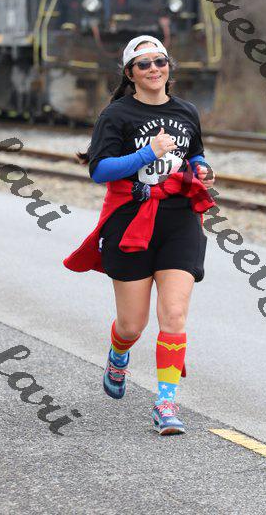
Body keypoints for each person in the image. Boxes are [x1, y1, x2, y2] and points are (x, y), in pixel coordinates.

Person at [65, 35, 216, 435]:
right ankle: (118, 354)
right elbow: (100, 170)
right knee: (132, 325)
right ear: (130, 74)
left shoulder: (186, 111)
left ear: (169, 66)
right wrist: (148, 153)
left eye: (159, 61)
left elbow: (194, 153)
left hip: (180, 220)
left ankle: (166, 403)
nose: (154, 69)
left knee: (175, 315)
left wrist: (202, 169)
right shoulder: (116, 115)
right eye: (144, 64)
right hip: (130, 222)